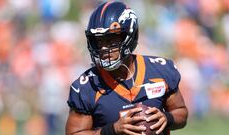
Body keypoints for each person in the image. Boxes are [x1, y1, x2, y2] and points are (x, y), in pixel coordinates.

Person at [66, 1, 188, 135]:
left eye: (111, 40)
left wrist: (167, 118)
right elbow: (74, 133)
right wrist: (112, 130)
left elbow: (181, 112)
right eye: (99, 41)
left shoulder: (160, 70)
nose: (104, 48)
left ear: (130, 36)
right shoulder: (87, 86)